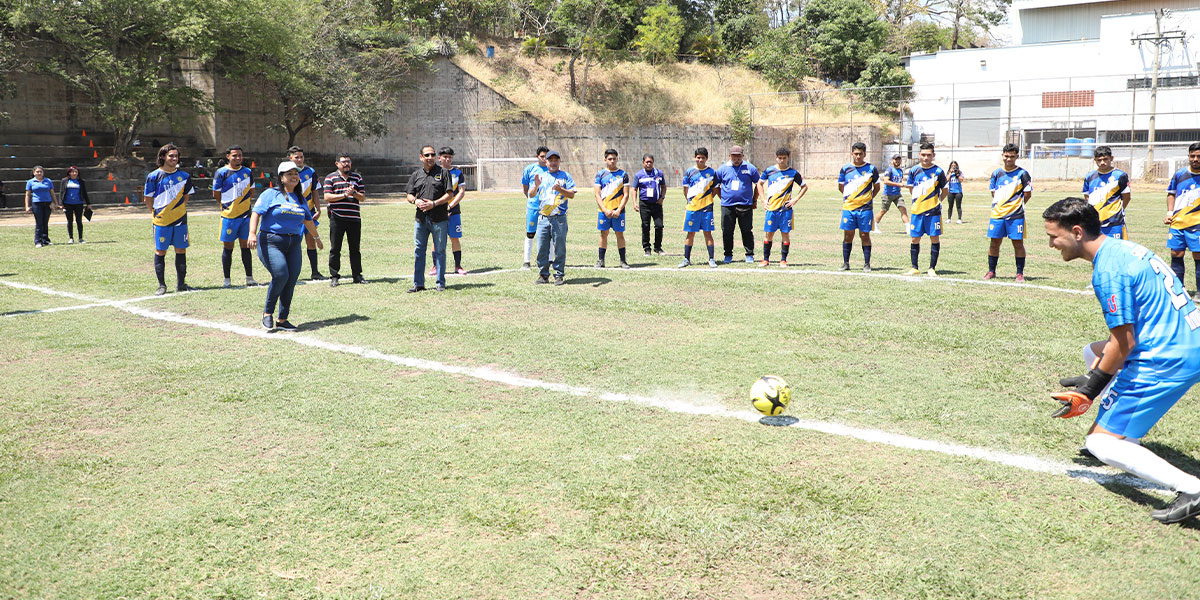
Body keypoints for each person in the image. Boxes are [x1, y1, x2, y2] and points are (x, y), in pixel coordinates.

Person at [1042, 197, 1200, 525]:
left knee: (1099, 443)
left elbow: (1124, 342)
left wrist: (1090, 389)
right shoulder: (1123, 247)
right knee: (1093, 351)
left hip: (1167, 357)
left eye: (1053, 236)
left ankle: (1192, 489)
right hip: (1187, 339)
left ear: (1076, 232)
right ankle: (1124, 433)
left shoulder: (1108, 271)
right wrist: (1094, 374)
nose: (1051, 244)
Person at [248, 161, 322, 332]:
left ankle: (282, 319)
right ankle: (268, 313)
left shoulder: (300, 198)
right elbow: (256, 212)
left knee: (291, 279)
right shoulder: (270, 194)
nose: (294, 176)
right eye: (289, 174)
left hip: (294, 243)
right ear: (281, 178)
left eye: (295, 173)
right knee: (281, 274)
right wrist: (252, 233)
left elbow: (308, 220)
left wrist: (316, 238)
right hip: (271, 241)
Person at [142, 143, 195, 295]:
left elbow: (186, 196)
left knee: (181, 250)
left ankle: (181, 284)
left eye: (176, 156)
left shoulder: (184, 176)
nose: (174, 158)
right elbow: (148, 198)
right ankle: (162, 285)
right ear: (163, 156)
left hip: (180, 220)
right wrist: (156, 212)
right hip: (161, 221)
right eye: (171, 155)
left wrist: (176, 209)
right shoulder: (153, 176)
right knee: (160, 251)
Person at [406, 145, 452, 293]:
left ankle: (440, 283)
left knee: (440, 251)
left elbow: (449, 195)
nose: (430, 157)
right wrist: (415, 201)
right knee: (419, 250)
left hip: (439, 219)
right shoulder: (416, 175)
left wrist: (434, 204)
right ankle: (418, 284)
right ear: (421, 157)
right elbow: (409, 195)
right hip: (421, 220)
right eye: (426, 155)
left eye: (432, 155)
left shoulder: (444, 173)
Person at [985, 143, 1033, 282]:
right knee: (994, 243)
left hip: (1016, 216)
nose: (1009, 159)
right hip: (997, 215)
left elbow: (1027, 194)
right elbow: (993, 193)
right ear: (1002, 156)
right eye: (1006, 156)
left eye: (1012, 156)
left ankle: (1019, 273)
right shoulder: (996, 173)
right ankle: (991, 271)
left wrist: (1016, 206)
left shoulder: (1022, 174)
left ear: (1017, 156)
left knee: (1018, 244)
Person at [212, 145, 258, 288]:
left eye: (239, 155)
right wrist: (228, 205)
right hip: (229, 217)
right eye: (234, 155)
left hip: (245, 216)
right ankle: (227, 279)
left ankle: (249, 278)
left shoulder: (247, 172)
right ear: (228, 156)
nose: (237, 158)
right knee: (228, 247)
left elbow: (251, 192)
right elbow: (216, 194)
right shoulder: (221, 173)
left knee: (246, 247)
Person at [758, 147, 807, 267]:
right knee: (769, 234)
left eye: (784, 158)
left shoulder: (793, 173)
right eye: (779, 158)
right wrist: (763, 200)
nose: (782, 160)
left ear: (788, 158)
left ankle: (783, 260)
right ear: (776, 158)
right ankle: (765, 260)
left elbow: (804, 186)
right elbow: (759, 184)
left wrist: (795, 199)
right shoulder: (769, 171)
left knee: (785, 234)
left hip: (786, 211)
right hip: (771, 209)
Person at [533, 150, 576, 285]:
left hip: (559, 218)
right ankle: (543, 274)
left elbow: (572, 194)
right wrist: (536, 186)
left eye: (556, 160)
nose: (553, 162)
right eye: (550, 160)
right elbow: (531, 193)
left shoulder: (565, 176)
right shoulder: (541, 176)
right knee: (541, 247)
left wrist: (560, 190)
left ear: (559, 161)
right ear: (546, 162)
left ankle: (559, 274)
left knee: (559, 247)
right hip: (544, 218)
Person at [905, 142, 948, 277]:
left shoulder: (938, 171)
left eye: (928, 155)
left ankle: (932, 268)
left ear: (933, 155)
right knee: (915, 239)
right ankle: (914, 267)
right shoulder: (913, 170)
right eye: (923, 155)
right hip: (917, 211)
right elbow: (911, 187)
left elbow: (945, 189)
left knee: (934, 238)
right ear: (919, 155)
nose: (925, 158)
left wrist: (937, 201)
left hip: (933, 212)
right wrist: (918, 201)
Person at [1164, 142, 1200, 301]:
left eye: (1199, 156)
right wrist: (1170, 212)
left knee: (1198, 256)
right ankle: (1179, 288)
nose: (1195, 159)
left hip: (1197, 224)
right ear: (1188, 157)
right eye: (1192, 156)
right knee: (1176, 253)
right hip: (1178, 223)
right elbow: (1171, 193)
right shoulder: (1179, 174)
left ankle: (1199, 292)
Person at [323, 154, 366, 287]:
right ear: (337, 164)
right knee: (335, 249)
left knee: (355, 249)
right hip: (337, 218)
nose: (346, 164)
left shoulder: (357, 177)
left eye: (348, 162)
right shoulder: (330, 177)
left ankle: (357, 275)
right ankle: (334, 276)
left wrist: (353, 193)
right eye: (343, 162)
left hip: (354, 218)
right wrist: (344, 195)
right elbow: (327, 197)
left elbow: (363, 198)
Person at [837, 142, 880, 272]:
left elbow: (877, 187)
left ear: (865, 154)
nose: (858, 156)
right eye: (856, 154)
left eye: (861, 154)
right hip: (849, 208)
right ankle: (846, 263)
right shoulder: (845, 169)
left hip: (865, 209)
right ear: (852, 154)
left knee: (864, 235)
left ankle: (867, 264)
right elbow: (840, 186)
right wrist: (850, 197)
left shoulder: (871, 169)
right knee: (848, 235)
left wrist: (867, 198)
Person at [716, 145, 760, 264]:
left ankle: (749, 254)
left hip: (745, 205)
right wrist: (723, 198)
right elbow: (716, 185)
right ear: (730, 156)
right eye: (734, 156)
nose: (736, 158)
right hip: (727, 206)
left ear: (742, 156)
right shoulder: (722, 169)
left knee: (746, 230)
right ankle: (728, 255)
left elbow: (759, 184)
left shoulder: (750, 168)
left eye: (739, 156)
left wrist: (754, 200)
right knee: (727, 231)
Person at [288, 146, 327, 280]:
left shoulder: (310, 172)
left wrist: (318, 208)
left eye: (301, 157)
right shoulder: (286, 172)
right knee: (292, 244)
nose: (299, 160)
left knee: (311, 242)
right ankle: (290, 273)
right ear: (290, 158)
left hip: (309, 213)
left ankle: (315, 272)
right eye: (296, 157)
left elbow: (315, 191)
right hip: (292, 213)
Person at [678, 147, 719, 269]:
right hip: (692, 208)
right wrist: (692, 201)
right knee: (690, 234)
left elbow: (715, 189)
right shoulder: (689, 172)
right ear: (695, 158)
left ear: (707, 158)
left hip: (707, 209)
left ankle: (711, 259)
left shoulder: (712, 172)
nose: (700, 160)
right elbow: (686, 190)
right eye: (698, 157)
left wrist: (706, 199)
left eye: (703, 158)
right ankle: (686, 259)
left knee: (708, 233)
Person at [1082, 145, 1132, 240]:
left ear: (1111, 158)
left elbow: (1127, 197)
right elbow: (1087, 197)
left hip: (1115, 222)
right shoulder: (1089, 177)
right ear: (1095, 160)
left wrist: (1119, 211)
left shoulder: (1120, 176)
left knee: (1117, 250)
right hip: (1095, 222)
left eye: (1105, 159)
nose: (1102, 162)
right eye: (1099, 160)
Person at [431, 147, 467, 275]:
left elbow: (461, 192)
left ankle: (458, 266)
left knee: (455, 238)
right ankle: (435, 266)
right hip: (437, 211)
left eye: (450, 157)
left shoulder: (458, 173)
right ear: (439, 158)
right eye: (445, 156)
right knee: (437, 239)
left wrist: (450, 206)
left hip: (454, 211)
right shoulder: (434, 172)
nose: (448, 159)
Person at [594, 148, 631, 269]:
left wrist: (619, 210)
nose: (612, 161)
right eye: (609, 159)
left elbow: (626, 195)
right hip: (604, 211)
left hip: (618, 211)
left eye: (614, 158)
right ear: (605, 160)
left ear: (617, 159)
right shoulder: (600, 174)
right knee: (603, 234)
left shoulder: (623, 175)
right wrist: (604, 209)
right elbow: (597, 194)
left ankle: (623, 261)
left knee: (619, 235)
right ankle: (601, 260)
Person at [520, 146, 550, 268]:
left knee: (550, 234)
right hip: (533, 206)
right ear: (537, 156)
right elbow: (525, 188)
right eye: (542, 156)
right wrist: (532, 199)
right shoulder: (530, 169)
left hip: (548, 207)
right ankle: (526, 261)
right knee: (530, 233)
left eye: (546, 157)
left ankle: (551, 260)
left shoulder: (551, 169)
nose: (544, 159)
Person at [633, 154, 667, 256]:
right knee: (645, 226)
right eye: (647, 162)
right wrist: (634, 203)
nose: (649, 164)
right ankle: (647, 249)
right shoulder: (638, 175)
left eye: (650, 162)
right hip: (644, 204)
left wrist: (662, 197)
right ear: (643, 162)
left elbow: (664, 187)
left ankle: (658, 247)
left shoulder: (659, 173)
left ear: (653, 162)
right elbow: (634, 189)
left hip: (657, 204)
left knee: (659, 225)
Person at [24, 165, 59, 247]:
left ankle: (45, 239)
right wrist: (27, 206)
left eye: (41, 172)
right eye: (37, 172)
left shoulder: (48, 181)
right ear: (34, 173)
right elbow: (28, 195)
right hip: (37, 203)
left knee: (45, 222)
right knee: (39, 223)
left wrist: (56, 203)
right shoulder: (30, 182)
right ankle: (38, 241)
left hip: (47, 203)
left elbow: (52, 193)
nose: (39, 173)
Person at [876, 153, 910, 233]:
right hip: (888, 194)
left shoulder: (900, 170)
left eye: (899, 159)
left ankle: (908, 229)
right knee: (883, 210)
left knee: (903, 210)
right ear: (892, 160)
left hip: (897, 194)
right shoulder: (889, 170)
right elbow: (886, 181)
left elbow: (899, 180)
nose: (897, 161)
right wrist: (899, 184)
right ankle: (875, 226)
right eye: (896, 159)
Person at [60, 166, 90, 244]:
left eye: (76, 172)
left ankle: (80, 238)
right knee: (70, 221)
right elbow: (61, 192)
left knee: (79, 221)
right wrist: (61, 203)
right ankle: (71, 238)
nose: (74, 173)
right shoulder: (64, 181)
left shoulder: (81, 181)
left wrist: (88, 203)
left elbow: (84, 193)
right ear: (69, 173)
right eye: (72, 172)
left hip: (79, 203)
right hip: (67, 204)